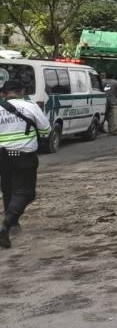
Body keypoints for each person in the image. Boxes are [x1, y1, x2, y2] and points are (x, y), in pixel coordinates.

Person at [0, 78, 51, 249]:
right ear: (22, 91)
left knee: (8, 188)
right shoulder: (30, 106)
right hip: (23, 155)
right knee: (26, 192)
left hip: (2, 156)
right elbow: (46, 130)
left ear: (3, 93)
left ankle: (12, 226)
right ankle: (7, 224)